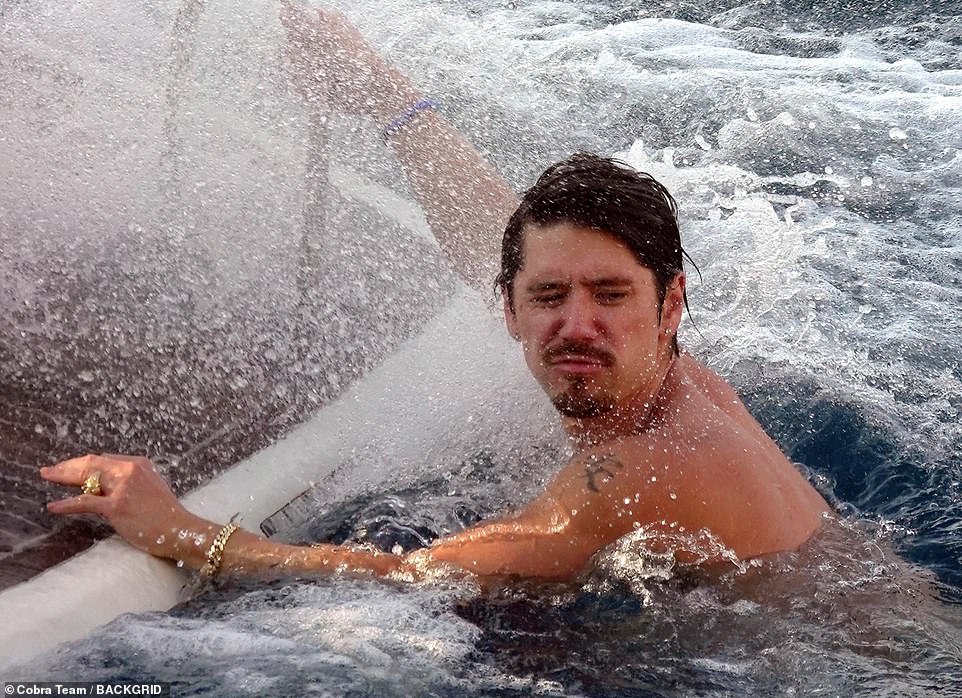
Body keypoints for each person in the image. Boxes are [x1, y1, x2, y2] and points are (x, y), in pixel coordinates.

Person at [40, 4, 830, 584]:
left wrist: (178, 530)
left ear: (671, 306)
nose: (575, 323)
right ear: (511, 306)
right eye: (548, 294)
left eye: (611, 294)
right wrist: (387, 97)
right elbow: (488, 231)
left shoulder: (629, 475)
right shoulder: (663, 381)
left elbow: (414, 574)